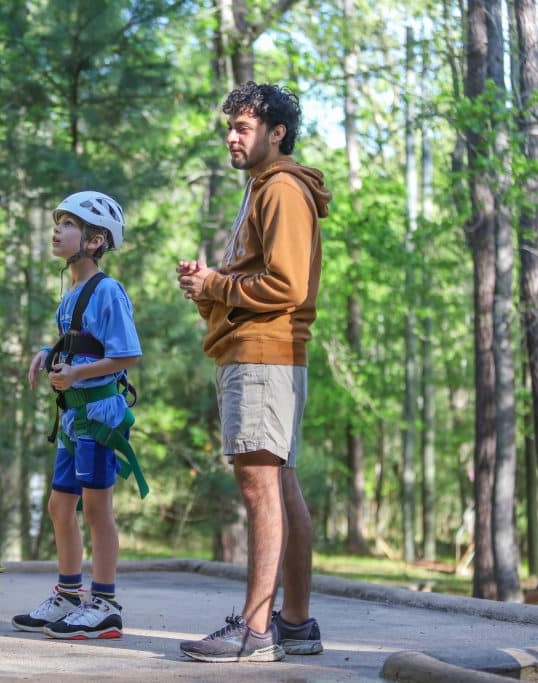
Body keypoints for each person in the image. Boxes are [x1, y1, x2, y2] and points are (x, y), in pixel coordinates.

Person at [176, 82, 331, 663]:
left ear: (276, 132)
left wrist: (216, 284)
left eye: (242, 127)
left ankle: (254, 631)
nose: (231, 136)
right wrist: (208, 286)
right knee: (279, 482)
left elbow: (288, 286)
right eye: (231, 126)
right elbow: (261, 278)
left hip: (264, 356)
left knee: (259, 486)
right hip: (261, 352)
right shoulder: (263, 190)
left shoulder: (282, 190)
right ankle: (293, 624)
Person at [12, 191, 143, 640]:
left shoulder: (108, 291)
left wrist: (77, 374)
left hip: (99, 416)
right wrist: (48, 354)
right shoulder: (72, 293)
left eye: (68, 224)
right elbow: (80, 342)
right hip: (74, 418)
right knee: (59, 505)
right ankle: (68, 595)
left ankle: (104, 604)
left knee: (96, 510)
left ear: (95, 240)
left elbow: (127, 354)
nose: (57, 230)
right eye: (58, 222)